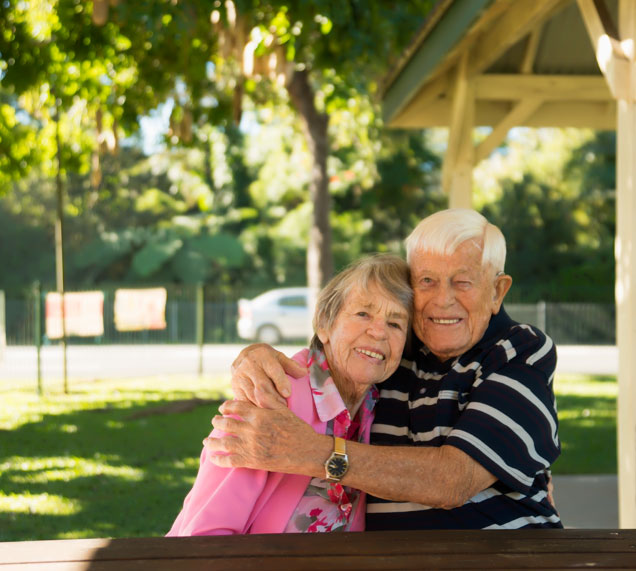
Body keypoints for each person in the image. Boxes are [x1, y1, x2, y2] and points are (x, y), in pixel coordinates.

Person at [205, 208, 562, 529]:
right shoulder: (393, 354)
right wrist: (253, 355)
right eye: (427, 281)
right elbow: (337, 345)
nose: (442, 299)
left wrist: (313, 452)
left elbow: (453, 479)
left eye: (463, 281)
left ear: (497, 291)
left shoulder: (519, 351)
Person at [168, 254, 413, 535]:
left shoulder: (376, 407)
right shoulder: (271, 394)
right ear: (324, 324)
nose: (379, 331)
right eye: (363, 314)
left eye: (395, 324)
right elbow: (205, 535)